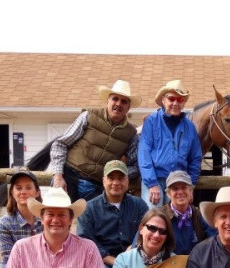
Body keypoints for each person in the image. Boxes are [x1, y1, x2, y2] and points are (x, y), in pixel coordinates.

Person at [49, 80, 141, 201]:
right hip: (69, 177)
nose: (118, 104)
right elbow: (60, 144)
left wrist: (115, 174)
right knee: (61, 217)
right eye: (115, 99)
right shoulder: (88, 116)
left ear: (128, 107)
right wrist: (58, 177)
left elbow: (136, 165)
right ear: (107, 101)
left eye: (124, 101)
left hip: (97, 188)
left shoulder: (131, 134)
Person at [138, 80, 202, 209]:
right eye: (172, 98)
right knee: (153, 217)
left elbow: (195, 157)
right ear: (163, 100)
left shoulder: (190, 127)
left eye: (180, 100)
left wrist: (191, 184)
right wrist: (152, 184)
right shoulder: (151, 121)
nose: (175, 103)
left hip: (179, 181)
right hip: (155, 178)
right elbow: (143, 153)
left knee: (177, 218)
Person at [77, 160, 149, 268]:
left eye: (120, 178)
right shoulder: (88, 209)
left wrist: (133, 248)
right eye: (111, 178)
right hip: (101, 261)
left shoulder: (139, 205)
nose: (116, 182)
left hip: (134, 258)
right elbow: (85, 241)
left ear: (127, 181)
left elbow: (146, 230)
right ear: (104, 181)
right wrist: (113, 261)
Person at [0, 168, 43, 268]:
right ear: (12, 192)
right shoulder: (4, 223)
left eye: (28, 187)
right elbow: (10, 260)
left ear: (37, 193)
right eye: (18, 188)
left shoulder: (46, 220)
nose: (23, 192)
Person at [160, 170, 215, 254]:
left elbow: (214, 238)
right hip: (169, 264)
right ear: (168, 194)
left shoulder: (199, 215)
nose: (180, 192)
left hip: (196, 264)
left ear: (191, 191)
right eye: (175, 189)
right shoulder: (159, 216)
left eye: (184, 187)